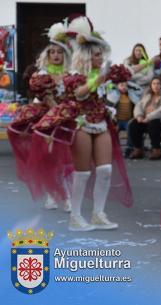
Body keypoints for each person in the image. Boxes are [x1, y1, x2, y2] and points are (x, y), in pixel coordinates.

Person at [31, 14, 133, 231]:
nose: (100, 58)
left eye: (101, 54)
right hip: (77, 121)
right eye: (97, 55)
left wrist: (149, 62)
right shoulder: (75, 75)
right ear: (88, 57)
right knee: (80, 170)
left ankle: (98, 214)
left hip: (100, 121)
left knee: (105, 170)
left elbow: (128, 74)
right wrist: (99, 79)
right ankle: (75, 215)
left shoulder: (100, 73)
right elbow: (78, 93)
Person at [8, 20, 74, 210]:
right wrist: (56, 110)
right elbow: (44, 98)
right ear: (47, 55)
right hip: (48, 119)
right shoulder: (42, 74)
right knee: (50, 157)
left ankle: (67, 196)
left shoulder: (71, 74)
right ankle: (53, 194)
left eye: (59, 52)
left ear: (65, 55)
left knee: (65, 158)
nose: (55, 55)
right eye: (52, 52)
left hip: (66, 117)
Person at [128, 76, 161, 160]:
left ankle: (156, 150)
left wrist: (149, 117)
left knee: (154, 122)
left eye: (158, 84)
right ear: (151, 85)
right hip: (146, 120)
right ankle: (138, 149)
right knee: (133, 124)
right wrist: (139, 115)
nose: (156, 86)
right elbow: (138, 105)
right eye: (154, 84)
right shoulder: (147, 95)